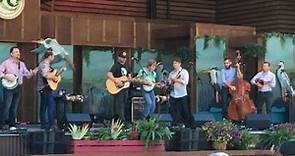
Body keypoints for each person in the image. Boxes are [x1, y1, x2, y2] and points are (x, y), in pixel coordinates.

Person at [0, 46, 36, 130]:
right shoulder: (6, 63)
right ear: (11, 54)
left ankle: (12, 124)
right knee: (6, 106)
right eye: (16, 52)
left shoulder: (21, 64)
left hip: (18, 87)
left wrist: (33, 73)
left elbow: (27, 75)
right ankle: (1, 125)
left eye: (18, 52)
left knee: (14, 106)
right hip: (8, 88)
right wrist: (6, 77)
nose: (18, 53)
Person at [168, 57, 194, 128]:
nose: (174, 65)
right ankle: (176, 122)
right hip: (173, 94)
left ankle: (188, 124)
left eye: (175, 63)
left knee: (184, 109)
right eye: (173, 63)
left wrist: (177, 80)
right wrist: (170, 82)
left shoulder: (184, 72)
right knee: (173, 109)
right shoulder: (171, 73)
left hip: (182, 94)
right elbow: (169, 82)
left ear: (179, 64)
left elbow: (186, 82)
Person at [37, 50, 59, 130]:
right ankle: (51, 124)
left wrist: (56, 77)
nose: (53, 57)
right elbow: (45, 74)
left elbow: (50, 74)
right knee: (51, 105)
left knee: (44, 106)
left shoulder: (47, 64)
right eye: (53, 56)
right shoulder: (44, 64)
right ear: (49, 56)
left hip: (45, 87)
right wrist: (53, 77)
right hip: (44, 87)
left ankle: (44, 124)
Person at [107, 51, 131, 122]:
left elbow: (129, 78)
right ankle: (123, 122)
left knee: (124, 105)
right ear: (119, 58)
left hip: (125, 89)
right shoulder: (116, 66)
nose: (123, 59)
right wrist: (116, 80)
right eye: (122, 57)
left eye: (124, 58)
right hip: (118, 88)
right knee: (119, 106)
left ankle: (118, 121)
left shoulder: (127, 67)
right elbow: (109, 74)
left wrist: (131, 79)